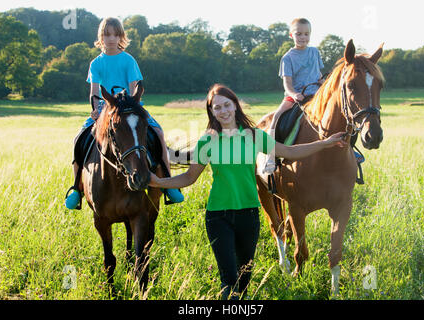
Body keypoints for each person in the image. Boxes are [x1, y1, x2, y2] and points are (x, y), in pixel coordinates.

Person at [148, 84, 347, 299]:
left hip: (249, 216)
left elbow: (290, 151)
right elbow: (189, 177)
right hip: (218, 216)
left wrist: (325, 143)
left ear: (235, 106)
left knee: (244, 280)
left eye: (226, 105)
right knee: (229, 279)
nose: (223, 111)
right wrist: (158, 182)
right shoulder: (208, 140)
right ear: (211, 112)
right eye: (217, 108)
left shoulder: (254, 136)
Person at [65, 17, 183, 210]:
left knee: (158, 133)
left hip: (129, 109)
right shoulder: (96, 63)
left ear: (121, 36)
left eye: (115, 34)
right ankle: (77, 188)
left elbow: (133, 89)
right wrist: (95, 110)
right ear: (101, 37)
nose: (111, 38)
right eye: (106, 34)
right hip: (105, 110)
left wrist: (128, 106)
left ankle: (169, 184)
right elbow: (95, 92)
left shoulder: (128, 60)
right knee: (79, 139)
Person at [262, 18, 325, 174]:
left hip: (317, 94)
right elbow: (287, 84)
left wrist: (324, 83)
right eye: (299, 34)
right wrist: (294, 94)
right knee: (277, 117)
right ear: (291, 35)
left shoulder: (315, 52)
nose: (303, 37)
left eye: (306, 34)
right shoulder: (287, 58)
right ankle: (272, 155)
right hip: (296, 96)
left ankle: (350, 149)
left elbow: (318, 75)